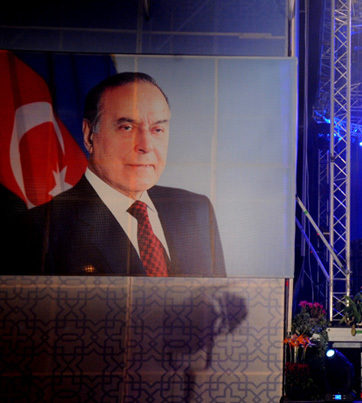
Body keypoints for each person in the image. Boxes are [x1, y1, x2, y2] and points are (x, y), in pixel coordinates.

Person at [17, 72, 226, 277]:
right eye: (127, 127)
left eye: (157, 130)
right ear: (90, 136)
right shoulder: (36, 231)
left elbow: (221, 307)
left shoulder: (196, 209)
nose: (146, 146)